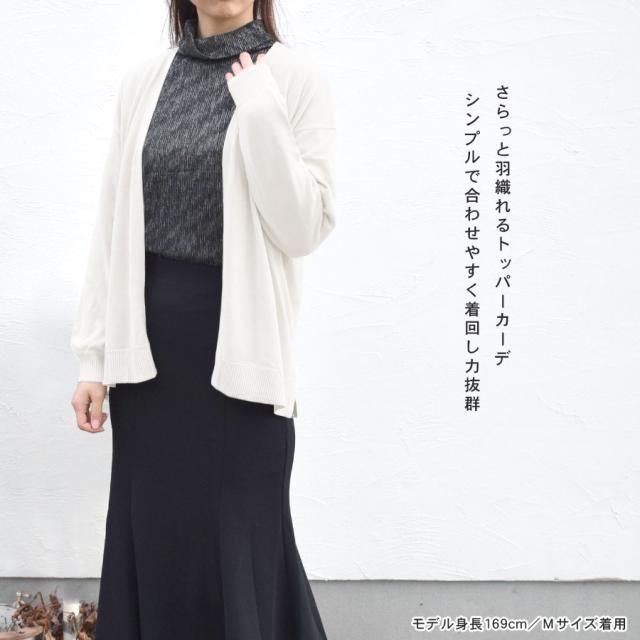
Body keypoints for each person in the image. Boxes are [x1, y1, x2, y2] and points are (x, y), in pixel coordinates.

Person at [69, 0, 336, 637]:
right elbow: (111, 225)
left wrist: (261, 112)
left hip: (243, 348)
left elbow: (303, 227)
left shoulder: (294, 80)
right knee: (156, 536)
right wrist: (94, 357)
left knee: (243, 537)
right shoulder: (144, 81)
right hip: (149, 354)